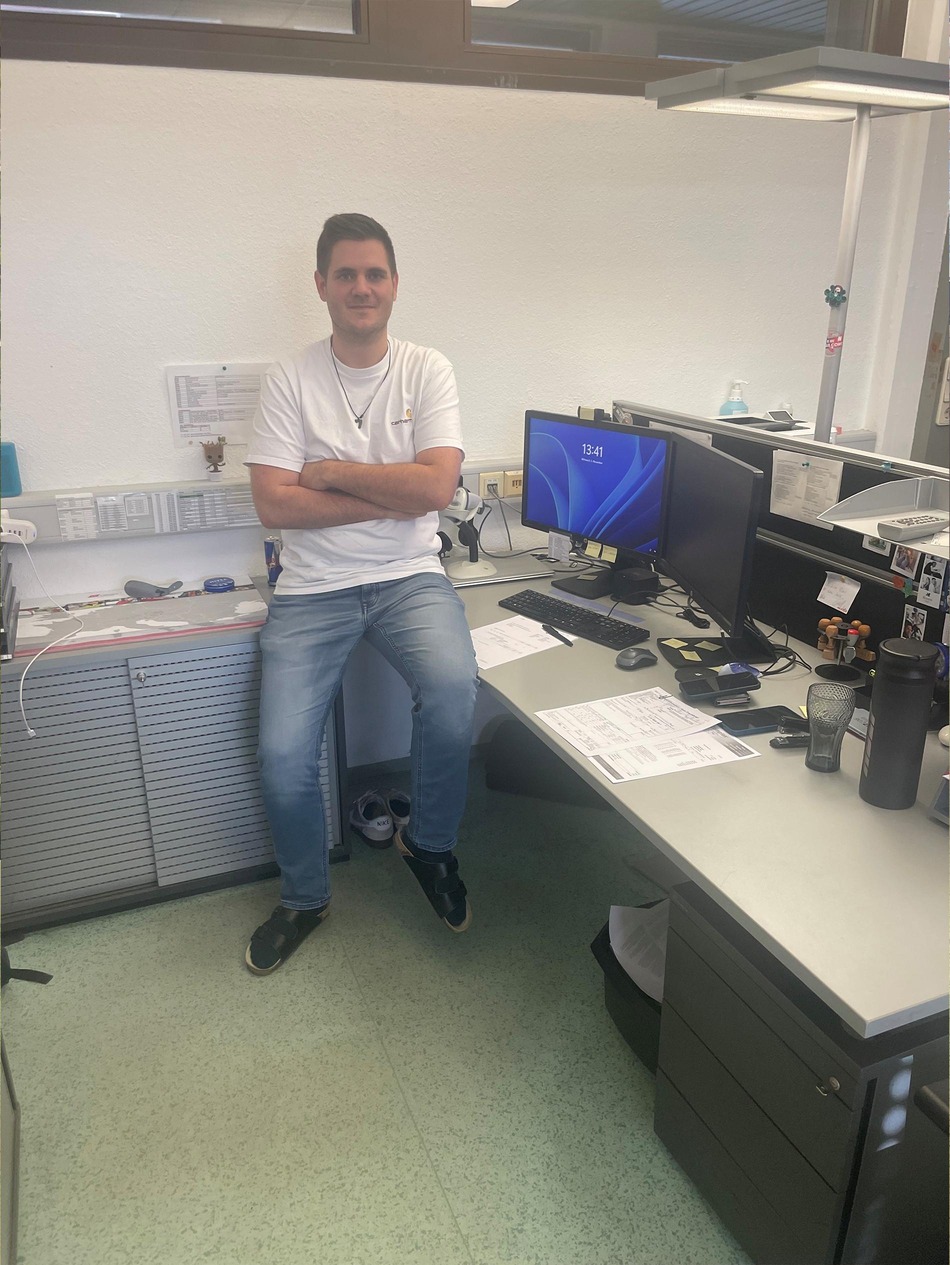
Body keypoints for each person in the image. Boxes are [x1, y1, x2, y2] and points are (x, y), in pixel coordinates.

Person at [243, 212, 479, 975]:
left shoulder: (427, 368)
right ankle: (305, 896)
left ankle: (430, 847)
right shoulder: (290, 378)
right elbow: (276, 506)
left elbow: (437, 487)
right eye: (345, 274)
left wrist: (330, 470)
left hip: (411, 577)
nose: (361, 287)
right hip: (313, 587)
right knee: (283, 752)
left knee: (452, 694)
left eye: (375, 273)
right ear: (321, 285)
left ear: (395, 285)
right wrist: (397, 493)